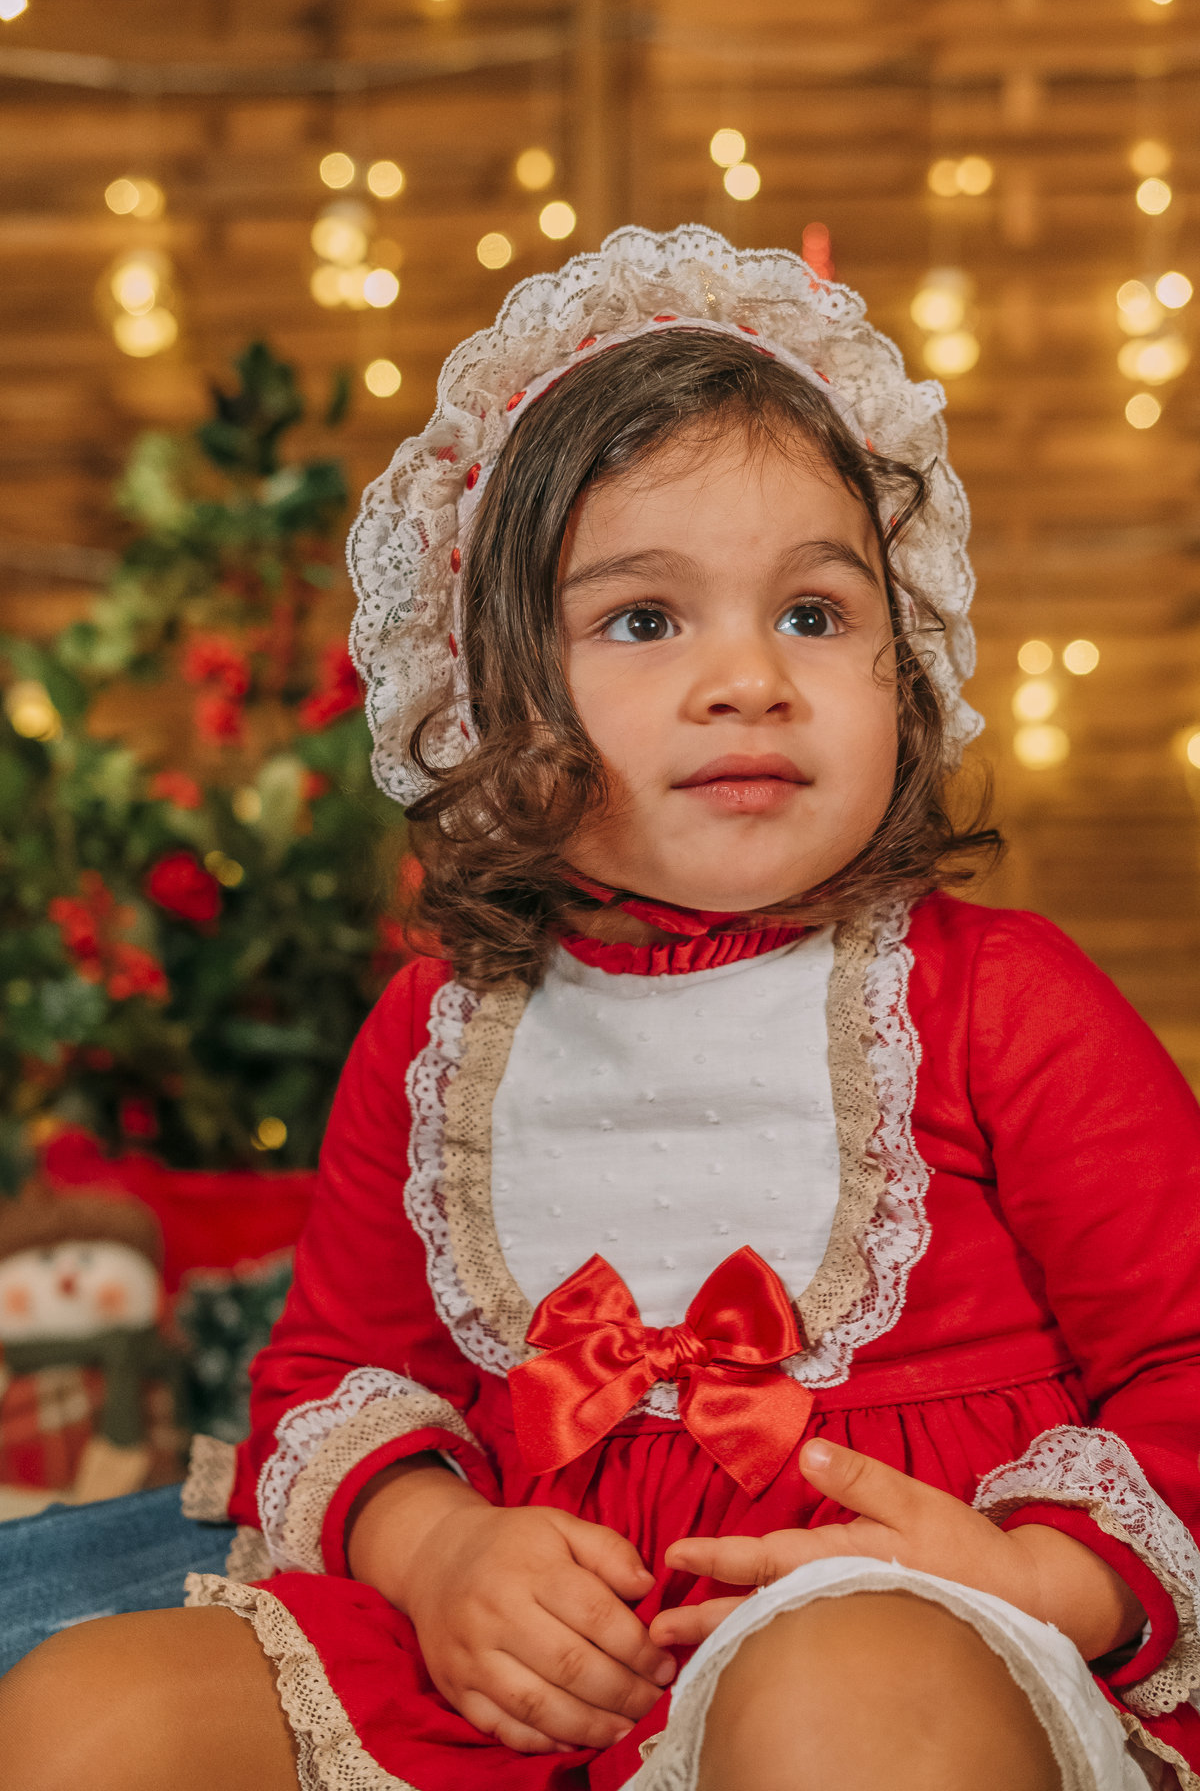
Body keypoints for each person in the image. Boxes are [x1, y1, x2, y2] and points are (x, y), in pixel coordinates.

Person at [2, 224, 1198, 1791]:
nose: (750, 678)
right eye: (645, 621)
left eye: (816, 615)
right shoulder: (439, 1038)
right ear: (498, 697)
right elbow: (339, 1384)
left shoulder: (1002, 1003)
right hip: (524, 1683)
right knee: (91, 1711)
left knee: (842, 1687)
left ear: (904, 668)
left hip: (911, 1627)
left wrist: (1050, 1580)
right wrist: (437, 1556)